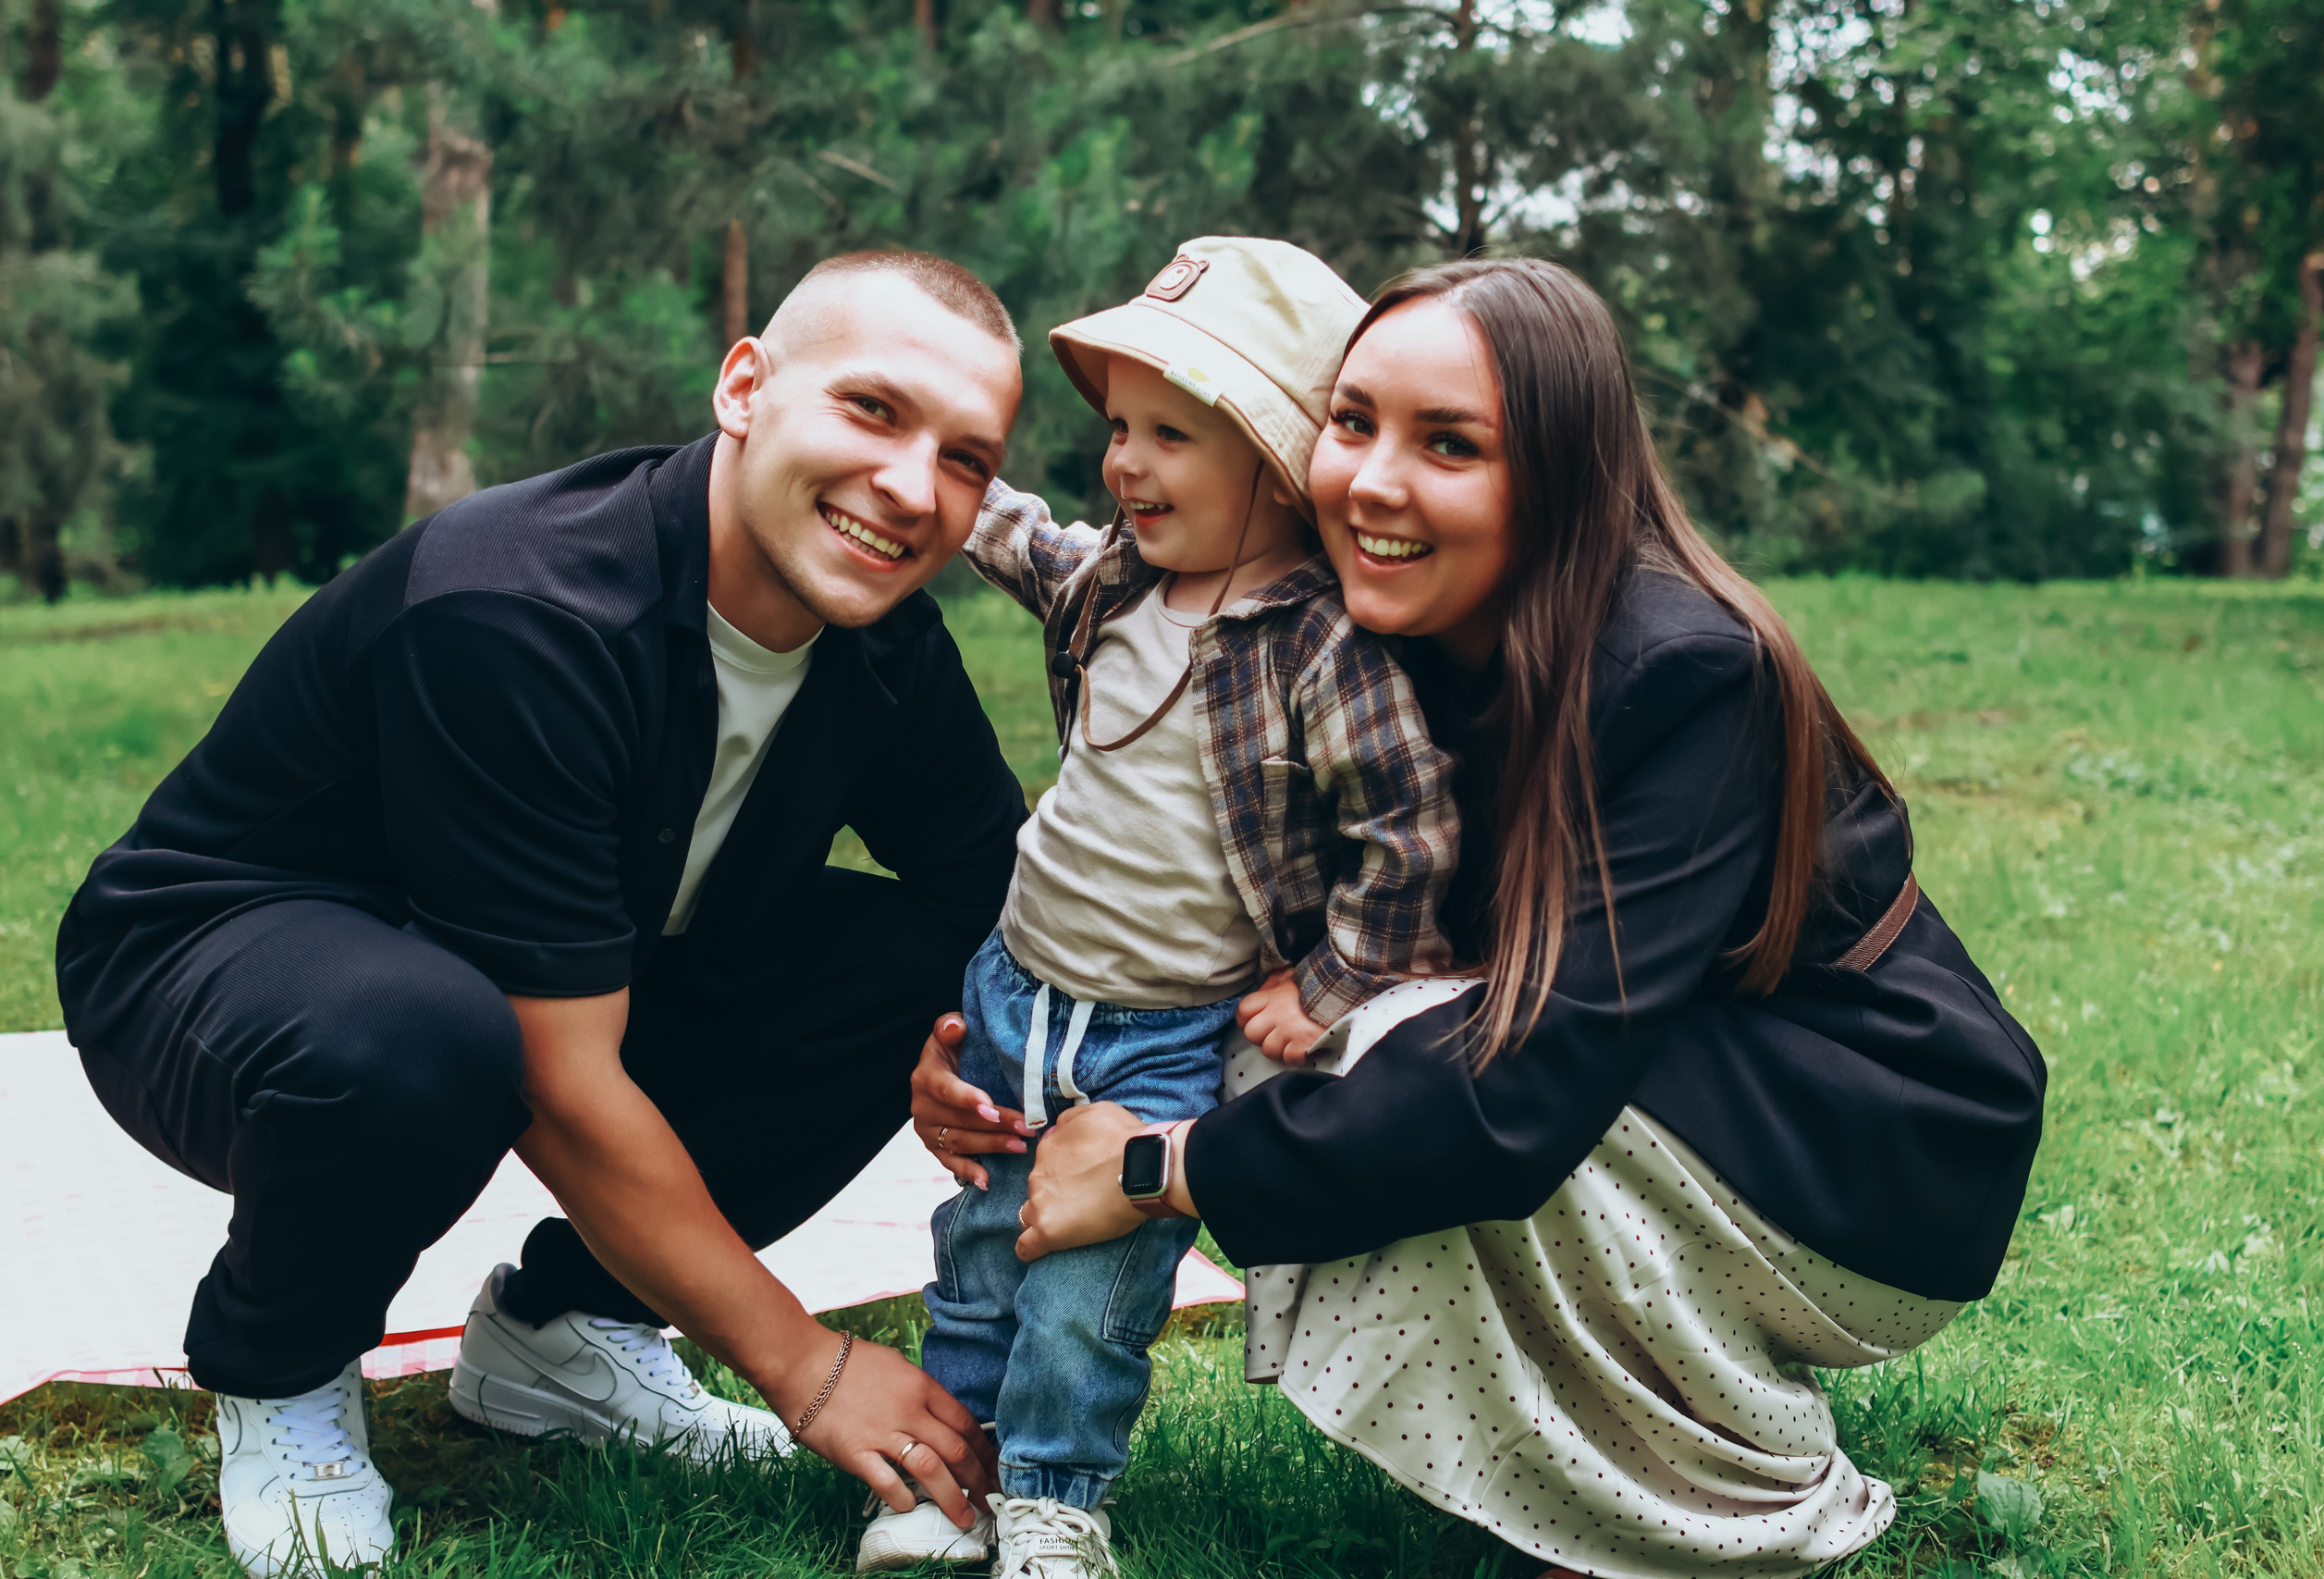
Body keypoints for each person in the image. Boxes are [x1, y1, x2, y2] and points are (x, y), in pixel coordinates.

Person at [916, 257, 2047, 1579]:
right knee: (1311, 1029)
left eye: (1449, 444)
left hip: (1871, 1155)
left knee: (1393, 1044)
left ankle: (1716, 1499)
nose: (1373, 482)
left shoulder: (1684, 670)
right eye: (1353, 423)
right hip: (1657, 1089)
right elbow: (1190, 904)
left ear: (1561, 476)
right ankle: (1592, 1463)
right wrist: (1008, 1066)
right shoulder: (1351, 634)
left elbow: (1531, 1085)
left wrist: (1161, 1167)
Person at [54, 250, 1033, 1578]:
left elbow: (1003, 901)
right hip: (220, 966)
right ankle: (281, 1364)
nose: (914, 488)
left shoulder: (885, 647)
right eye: (872, 409)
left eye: (965, 459)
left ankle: (562, 1337)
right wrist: (808, 1365)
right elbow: (561, 1084)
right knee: (429, 1037)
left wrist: (967, 1047)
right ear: (745, 387)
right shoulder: (526, 609)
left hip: (569, 969)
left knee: (931, 958)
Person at [860, 237, 1461, 1577]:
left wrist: (1331, 981)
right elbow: (1015, 533)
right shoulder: (1115, 580)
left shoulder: (1320, 646)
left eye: (1169, 436)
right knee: (981, 1249)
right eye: (1120, 428)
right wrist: (923, 466)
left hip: (1164, 1033)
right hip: (1014, 992)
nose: (1123, 463)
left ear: (1275, 461)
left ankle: (1055, 1500)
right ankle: (950, 1478)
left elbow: (1411, 832)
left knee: (1090, 1283)